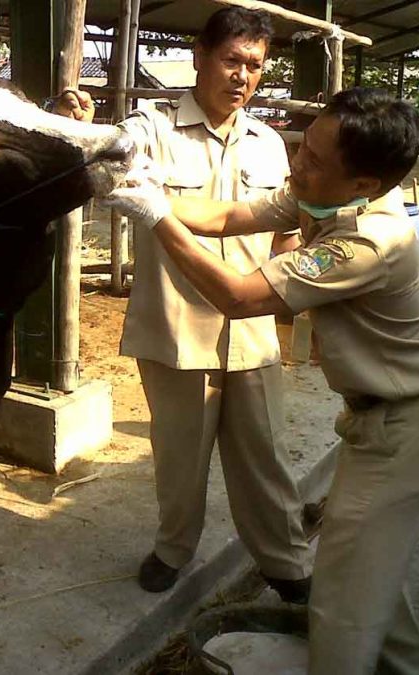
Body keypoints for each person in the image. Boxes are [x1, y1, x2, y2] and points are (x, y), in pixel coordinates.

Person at [103, 86, 419, 674]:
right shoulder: (319, 198)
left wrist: (156, 217)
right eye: (303, 148)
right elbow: (226, 215)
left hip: (408, 427)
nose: (297, 164)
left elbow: (238, 295)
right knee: (371, 584)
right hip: (385, 420)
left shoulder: (369, 239)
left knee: (344, 604)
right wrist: (149, 190)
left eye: (316, 161)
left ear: (364, 185)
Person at [57, 6, 311, 600]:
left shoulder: (270, 143)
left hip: (251, 333)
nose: (242, 76)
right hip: (175, 331)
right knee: (180, 462)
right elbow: (109, 155)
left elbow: (285, 232)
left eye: (255, 66)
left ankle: (287, 564)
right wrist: (83, 129)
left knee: (267, 460)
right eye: (231, 60)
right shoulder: (154, 128)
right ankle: (174, 550)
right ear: (200, 55)